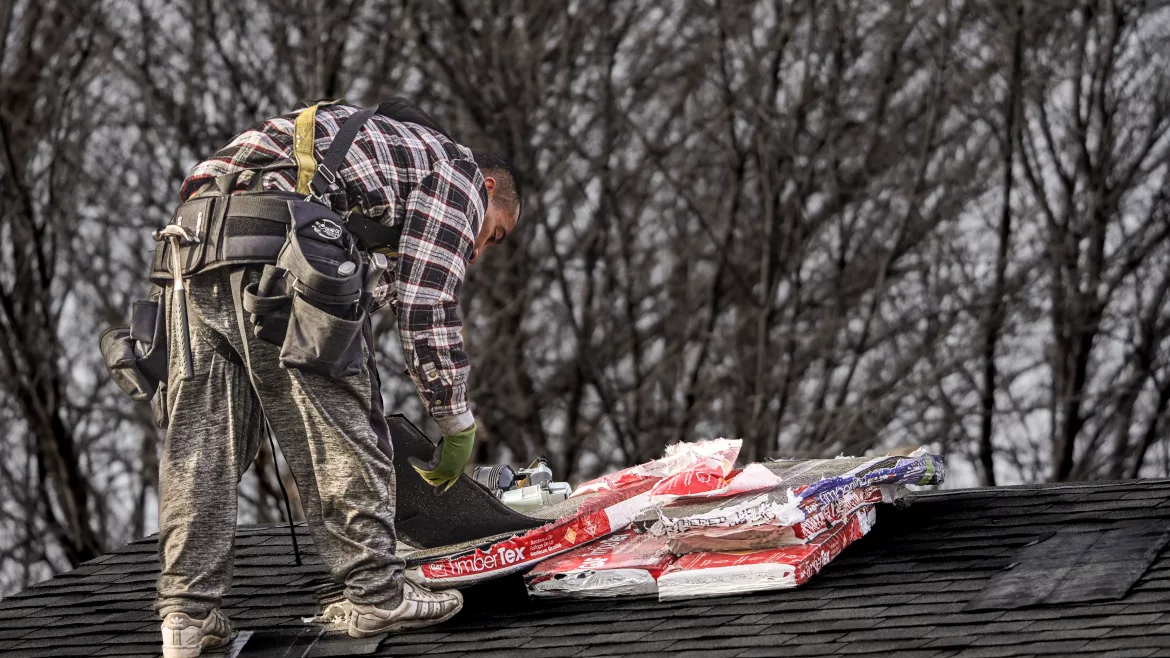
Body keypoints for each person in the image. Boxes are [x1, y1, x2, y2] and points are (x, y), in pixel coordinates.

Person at [152, 101, 521, 658]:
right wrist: (454, 417)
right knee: (343, 422)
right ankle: (376, 591)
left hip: (191, 245)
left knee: (203, 443)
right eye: (493, 233)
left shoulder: (384, 157)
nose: (477, 249)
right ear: (489, 189)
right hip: (277, 239)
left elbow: (381, 291)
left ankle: (187, 615)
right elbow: (426, 303)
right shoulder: (460, 172)